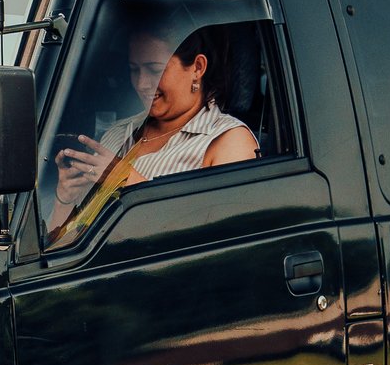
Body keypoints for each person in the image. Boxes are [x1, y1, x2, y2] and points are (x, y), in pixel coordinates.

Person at [46, 21, 256, 245]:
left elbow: (224, 243)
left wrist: (127, 180)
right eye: (134, 70)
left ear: (197, 68)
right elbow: (58, 246)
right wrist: (65, 199)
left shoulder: (229, 141)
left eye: (155, 69)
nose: (142, 83)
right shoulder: (118, 133)